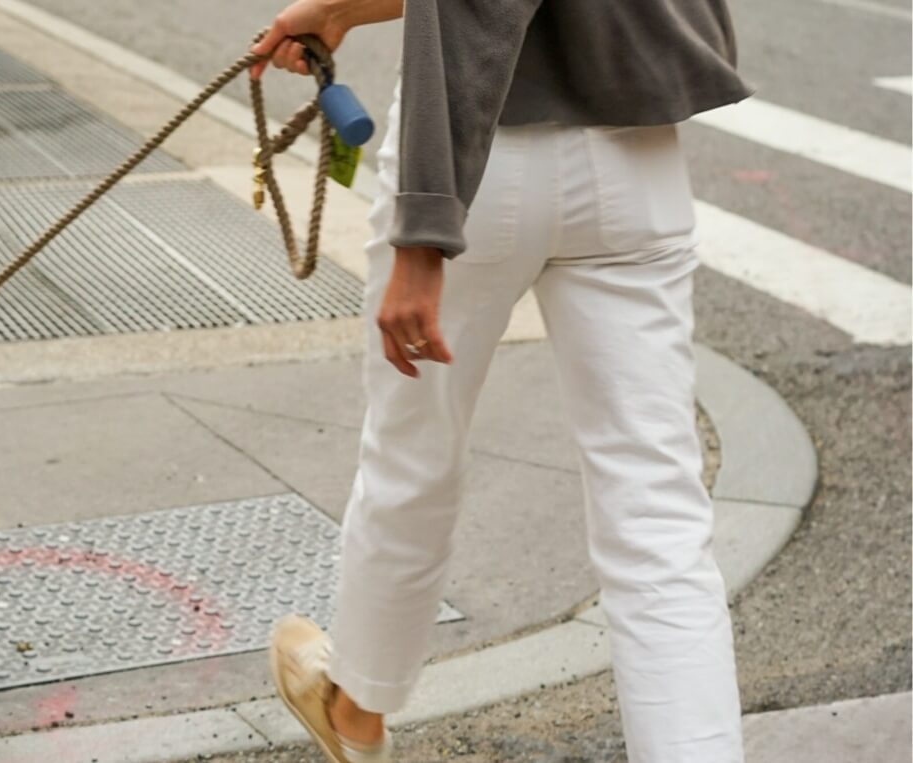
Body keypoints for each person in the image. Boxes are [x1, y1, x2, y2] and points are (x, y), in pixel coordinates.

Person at [251, 1, 754, 762]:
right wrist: (341, 11)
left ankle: (355, 712)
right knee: (657, 516)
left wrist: (422, 228)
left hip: (477, 160)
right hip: (636, 150)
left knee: (412, 459)